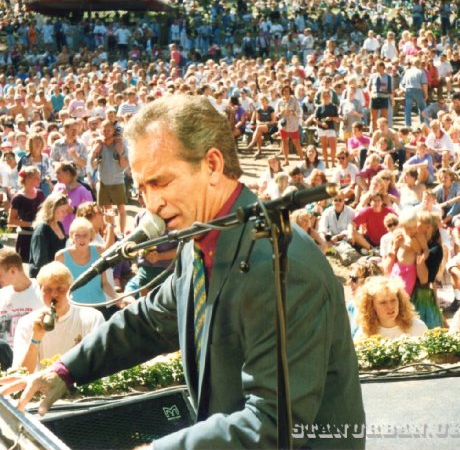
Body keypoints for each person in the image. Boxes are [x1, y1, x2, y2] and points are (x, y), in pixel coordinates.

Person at [1, 94, 365, 449]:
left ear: (212, 165)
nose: (151, 204)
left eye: (160, 181)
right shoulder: (202, 237)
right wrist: (66, 371)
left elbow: (273, 424)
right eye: (141, 188)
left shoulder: (280, 264)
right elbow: (149, 321)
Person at [11, 262, 105, 373]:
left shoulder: (92, 318)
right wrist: (36, 337)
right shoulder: (26, 323)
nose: (54, 295)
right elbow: (22, 373)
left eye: (60, 289)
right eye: (48, 290)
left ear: (71, 290)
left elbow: (101, 362)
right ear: (40, 291)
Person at [55, 218, 119, 306]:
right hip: (74, 309)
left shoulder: (99, 251)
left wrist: (117, 298)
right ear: (71, 237)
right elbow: (57, 286)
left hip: (98, 306)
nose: (81, 239)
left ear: (91, 236)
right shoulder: (61, 256)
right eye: (77, 235)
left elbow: (104, 283)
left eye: (85, 235)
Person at [354, 276, 427, 340]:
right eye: (383, 302)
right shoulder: (363, 335)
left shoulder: (417, 327)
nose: (390, 306)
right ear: (371, 306)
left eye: (393, 300)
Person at [90, 120, 129, 234]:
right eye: (104, 130)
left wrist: (120, 152)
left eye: (109, 130)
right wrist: (95, 152)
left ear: (113, 131)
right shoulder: (99, 145)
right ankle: (110, 232)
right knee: (107, 209)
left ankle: (122, 233)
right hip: (103, 181)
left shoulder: (120, 144)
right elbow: (93, 165)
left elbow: (124, 166)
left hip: (117, 181)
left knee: (121, 208)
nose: (106, 132)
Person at [0, 249, 43, 348]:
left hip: (32, 355)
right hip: (6, 358)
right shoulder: (2, 294)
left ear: (13, 271)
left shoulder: (41, 291)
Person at [8, 166, 45, 262]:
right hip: (25, 236)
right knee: (25, 264)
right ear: (28, 178)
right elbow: (11, 220)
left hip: (40, 235)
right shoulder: (18, 198)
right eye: (36, 177)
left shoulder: (40, 194)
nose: (39, 180)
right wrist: (30, 224)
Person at [28, 193, 69, 278]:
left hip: (57, 274)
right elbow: (40, 262)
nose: (66, 214)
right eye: (62, 211)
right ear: (52, 209)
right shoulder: (42, 229)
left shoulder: (59, 224)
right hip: (44, 277)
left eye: (66, 210)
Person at [52, 161, 93, 235]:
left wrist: (74, 210)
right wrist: (67, 190)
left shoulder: (82, 190)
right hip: (57, 231)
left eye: (58, 173)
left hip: (75, 233)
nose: (55, 176)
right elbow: (50, 204)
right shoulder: (58, 187)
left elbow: (90, 212)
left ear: (67, 173)